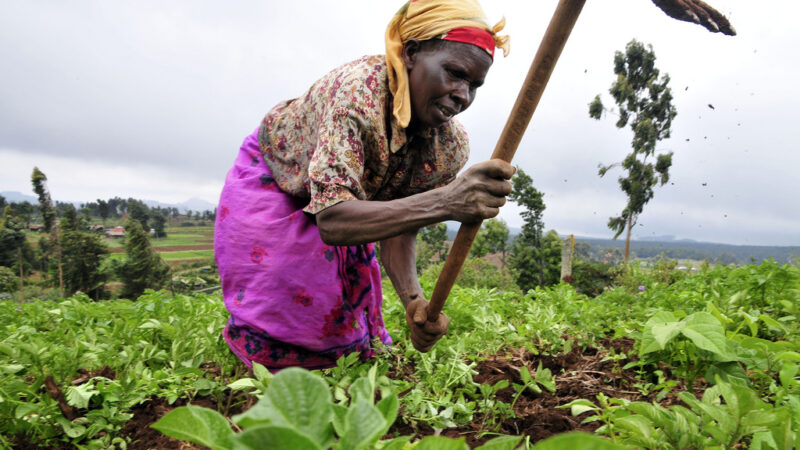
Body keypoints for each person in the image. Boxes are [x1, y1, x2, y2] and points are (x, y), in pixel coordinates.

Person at [214, 0, 515, 371]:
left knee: (342, 330)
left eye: (474, 85)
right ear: (411, 53)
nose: (462, 95)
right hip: (279, 175)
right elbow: (334, 222)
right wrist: (448, 200)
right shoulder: (358, 97)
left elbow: (399, 226)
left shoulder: (447, 148)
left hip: (348, 200)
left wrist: (414, 302)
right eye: (454, 73)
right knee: (286, 296)